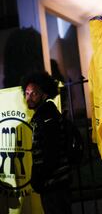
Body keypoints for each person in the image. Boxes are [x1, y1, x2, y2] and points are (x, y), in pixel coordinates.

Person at [21, 71, 72, 214]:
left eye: (34, 94)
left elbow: (50, 153)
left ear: (44, 95)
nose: (29, 98)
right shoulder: (44, 116)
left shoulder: (47, 118)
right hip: (52, 184)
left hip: (55, 185)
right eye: (27, 93)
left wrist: (38, 179)